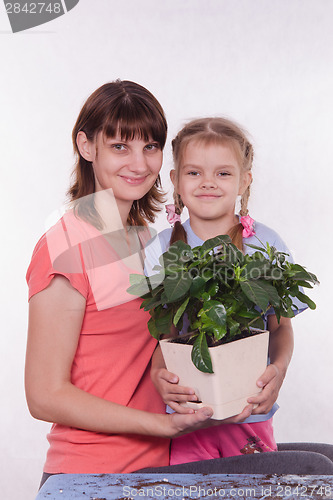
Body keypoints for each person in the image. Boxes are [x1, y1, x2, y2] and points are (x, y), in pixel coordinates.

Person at [25, 82, 220, 487]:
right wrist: (158, 425)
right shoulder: (64, 247)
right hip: (91, 475)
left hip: (162, 469)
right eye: (120, 146)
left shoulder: (151, 241)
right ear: (86, 146)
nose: (139, 163)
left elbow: (160, 350)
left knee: (317, 463)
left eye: (150, 146)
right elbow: (43, 395)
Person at [145, 117, 307, 466]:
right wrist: (161, 376)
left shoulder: (265, 244)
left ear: (244, 181)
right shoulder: (161, 248)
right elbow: (163, 332)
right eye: (193, 173)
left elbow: (280, 326)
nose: (207, 183)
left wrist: (277, 371)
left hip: (249, 413)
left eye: (223, 173)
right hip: (188, 416)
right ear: (174, 180)